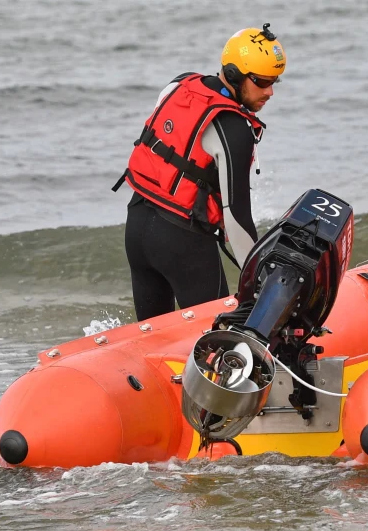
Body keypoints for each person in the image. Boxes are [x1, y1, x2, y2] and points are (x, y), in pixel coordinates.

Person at [113, 24, 286, 321]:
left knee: (154, 336)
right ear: (233, 74)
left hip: (138, 225)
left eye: (275, 82)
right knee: (216, 338)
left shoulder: (178, 85)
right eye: (261, 81)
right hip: (183, 244)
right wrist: (261, 282)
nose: (269, 91)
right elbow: (237, 218)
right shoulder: (233, 129)